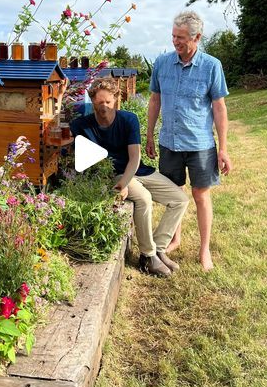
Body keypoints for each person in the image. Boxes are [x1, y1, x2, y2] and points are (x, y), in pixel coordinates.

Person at [70, 77, 189, 277]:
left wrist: (125, 184)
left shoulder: (128, 119)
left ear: (116, 99)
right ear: (92, 101)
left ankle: (159, 248)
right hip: (112, 174)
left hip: (136, 170)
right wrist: (120, 182)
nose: (104, 107)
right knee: (143, 198)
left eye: (108, 102)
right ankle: (147, 256)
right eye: (99, 103)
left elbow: (135, 157)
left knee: (180, 199)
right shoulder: (81, 125)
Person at [146, 10, 232, 272]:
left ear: (197, 37)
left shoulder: (211, 66)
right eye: (173, 36)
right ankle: (175, 238)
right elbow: (154, 100)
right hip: (169, 142)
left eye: (181, 37)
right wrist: (149, 134)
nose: (176, 41)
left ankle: (204, 250)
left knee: (200, 195)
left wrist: (224, 149)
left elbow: (219, 108)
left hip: (200, 144)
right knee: (174, 194)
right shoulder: (162, 63)